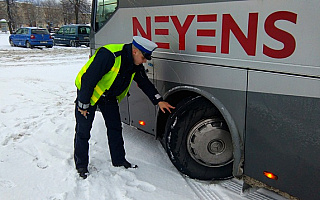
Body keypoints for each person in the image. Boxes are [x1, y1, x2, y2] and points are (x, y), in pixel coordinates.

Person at [74, 36, 175, 179]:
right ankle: (81, 165)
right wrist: (83, 104)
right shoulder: (109, 55)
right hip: (89, 94)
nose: (145, 60)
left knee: (115, 127)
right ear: (135, 51)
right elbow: (88, 79)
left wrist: (158, 100)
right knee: (83, 130)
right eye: (144, 56)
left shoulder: (134, 63)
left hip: (108, 96)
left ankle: (119, 160)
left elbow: (144, 82)